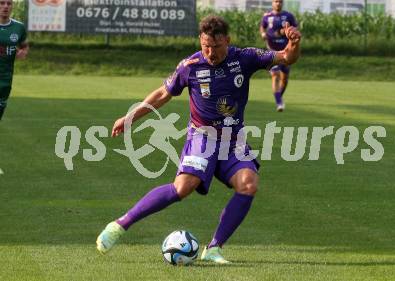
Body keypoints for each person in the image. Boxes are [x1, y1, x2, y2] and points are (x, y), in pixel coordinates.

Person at [96, 15, 301, 264]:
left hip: (233, 140)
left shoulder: (245, 58)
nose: (210, 52)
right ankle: (119, 226)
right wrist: (130, 118)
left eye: (216, 46)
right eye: (206, 46)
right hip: (202, 136)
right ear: (200, 41)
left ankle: (214, 248)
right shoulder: (190, 65)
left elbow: (286, 57)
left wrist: (293, 43)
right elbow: (163, 93)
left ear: (227, 40)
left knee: (248, 184)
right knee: (183, 187)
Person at [260, 0, 297, 112]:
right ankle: (279, 102)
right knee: (275, 74)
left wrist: (287, 32)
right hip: (272, 51)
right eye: (276, 1)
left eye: (280, 2)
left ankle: (278, 96)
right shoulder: (267, 16)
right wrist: (262, 33)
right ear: (272, 3)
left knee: (284, 79)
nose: (278, 3)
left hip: (285, 52)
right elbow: (263, 27)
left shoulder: (288, 16)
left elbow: (295, 29)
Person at [0, 0, 29, 120]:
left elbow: (24, 45)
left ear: (12, 6)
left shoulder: (19, 27)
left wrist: (24, 52)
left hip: (5, 80)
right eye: (2, 3)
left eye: (9, 3)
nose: (5, 6)